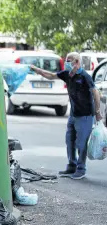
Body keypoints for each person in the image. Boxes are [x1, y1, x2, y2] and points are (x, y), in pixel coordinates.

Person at [30, 52, 102, 180]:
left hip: (85, 115)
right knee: (70, 141)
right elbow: (51, 75)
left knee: (81, 143)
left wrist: (97, 112)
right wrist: (36, 69)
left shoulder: (84, 76)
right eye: (66, 60)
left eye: (70, 61)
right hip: (73, 115)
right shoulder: (66, 75)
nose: (67, 63)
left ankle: (81, 169)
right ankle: (71, 166)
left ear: (77, 63)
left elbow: (96, 93)